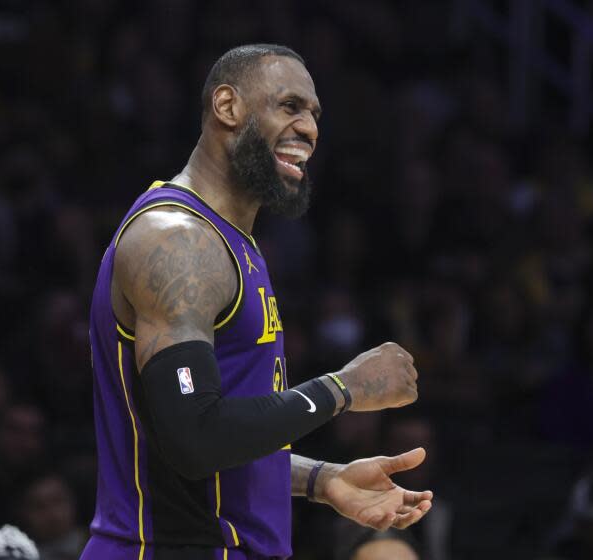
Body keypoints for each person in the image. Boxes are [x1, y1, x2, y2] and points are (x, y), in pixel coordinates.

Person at [81, 44, 433, 560]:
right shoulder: (178, 240)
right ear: (228, 107)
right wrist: (344, 388)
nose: (310, 128)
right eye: (290, 106)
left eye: (314, 115)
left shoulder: (230, 243)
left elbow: (209, 441)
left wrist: (322, 479)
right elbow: (193, 438)